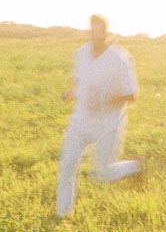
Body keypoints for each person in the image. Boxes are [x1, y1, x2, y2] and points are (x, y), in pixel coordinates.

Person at [56, 14, 141, 218]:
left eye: (99, 31)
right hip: (81, 120)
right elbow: (82, 81)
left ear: (107, 33)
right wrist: (71, 93)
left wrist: (108, 98)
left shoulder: (119, 58)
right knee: (67, 164)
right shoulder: (81, 54)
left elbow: (133, 94)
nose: (95, 35)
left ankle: (136, 167)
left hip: (108, 123)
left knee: (101, 173)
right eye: (92, 30)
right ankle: (63, 216)